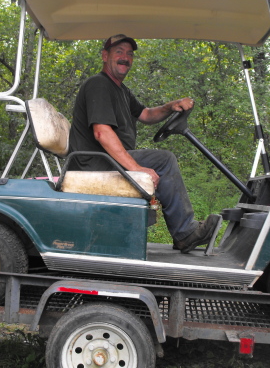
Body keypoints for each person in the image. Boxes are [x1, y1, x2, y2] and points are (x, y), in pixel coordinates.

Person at [68, 34, 219, 253]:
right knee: (164, 160)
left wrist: (170, 106)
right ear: (104, 56)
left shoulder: (121, 91)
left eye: (129, 54)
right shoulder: (98, 85)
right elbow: (102, 132)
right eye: (119, 52)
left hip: (107, 160)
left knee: (162, 159)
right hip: (94, 163)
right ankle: (185, 233)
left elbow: (147, 115)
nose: (125, 58)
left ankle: (184, 232)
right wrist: (137, 169)